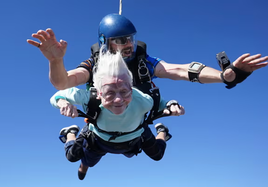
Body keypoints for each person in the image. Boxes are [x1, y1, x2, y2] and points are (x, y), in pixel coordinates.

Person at [27, 13, 268, 92]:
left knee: (153, 152)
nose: (128, 45)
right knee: (90, 152)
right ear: (105, 44)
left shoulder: (144, 62)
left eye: (129, 39)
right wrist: (56, 62)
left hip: (135, 123)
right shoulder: (95, 63)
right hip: (102, 123)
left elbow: (181, 71)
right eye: (119, 41)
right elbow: (63, 83)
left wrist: (225, 76)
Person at [50, 48, 185, 180]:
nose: (119, 100)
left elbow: (160, 102)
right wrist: (63, 103)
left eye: (124, 91)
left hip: (134, 138)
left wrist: (172, 104)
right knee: (73, 157)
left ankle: (162, 132)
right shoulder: (89, 97)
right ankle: (71, 133)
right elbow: (57, 96)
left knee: (158, 155)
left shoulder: (143, 100)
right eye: (110, 93)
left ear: (131, 90)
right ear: (99, 94)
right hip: (98, 139)